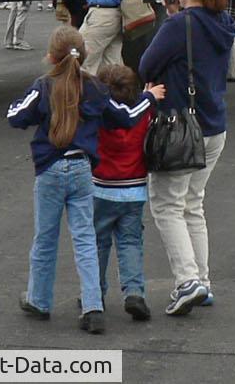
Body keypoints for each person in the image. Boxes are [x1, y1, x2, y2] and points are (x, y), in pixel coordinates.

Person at [7, 26, 161, 334]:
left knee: (45, 237)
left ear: (51, 56)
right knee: (85, 239)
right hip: (81, 169)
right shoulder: (94, 89)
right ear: (86, 54)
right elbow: (127, 115)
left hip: (50, 169)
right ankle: (93, 306)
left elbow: (15, 116)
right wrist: (148, 97)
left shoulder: (43, 86)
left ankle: (39, 299)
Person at [137, 0, 235, 315]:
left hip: (179, 123)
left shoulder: (179, 25)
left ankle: (187, 280)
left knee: (166, 204)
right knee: (193, 203)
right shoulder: (223, 21)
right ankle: (202, 281)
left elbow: (146, 65)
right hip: (213, 124)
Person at [93, 63, 154, 321]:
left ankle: (94, 291)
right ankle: (134, 292)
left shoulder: (100, 114)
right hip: (134, 188)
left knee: (98, 243)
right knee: (130, 241)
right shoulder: (143, 114)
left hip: (101, 186)